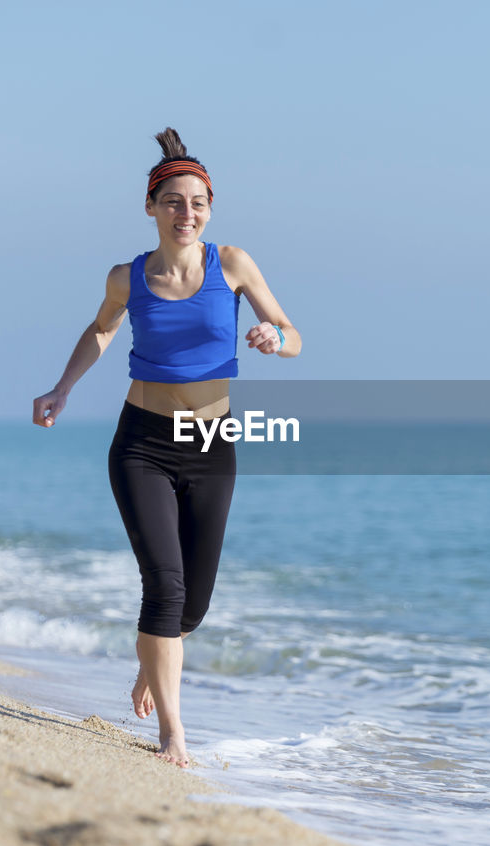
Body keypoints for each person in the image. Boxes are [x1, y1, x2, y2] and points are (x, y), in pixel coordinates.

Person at [32, 128, 300, 768]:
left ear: (210, 209)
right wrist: (62, 387)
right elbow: (101, 330)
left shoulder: (232, 265)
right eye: (174, 202)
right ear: (151, 207)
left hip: (211, 442)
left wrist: (270, 335)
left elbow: (294, 336)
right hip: (142, 443)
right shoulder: (128, 276)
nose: (187, 213)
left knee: (195, 603)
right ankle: (173, 731)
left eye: (198, 203)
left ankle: (155, 662)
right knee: (166, 585)